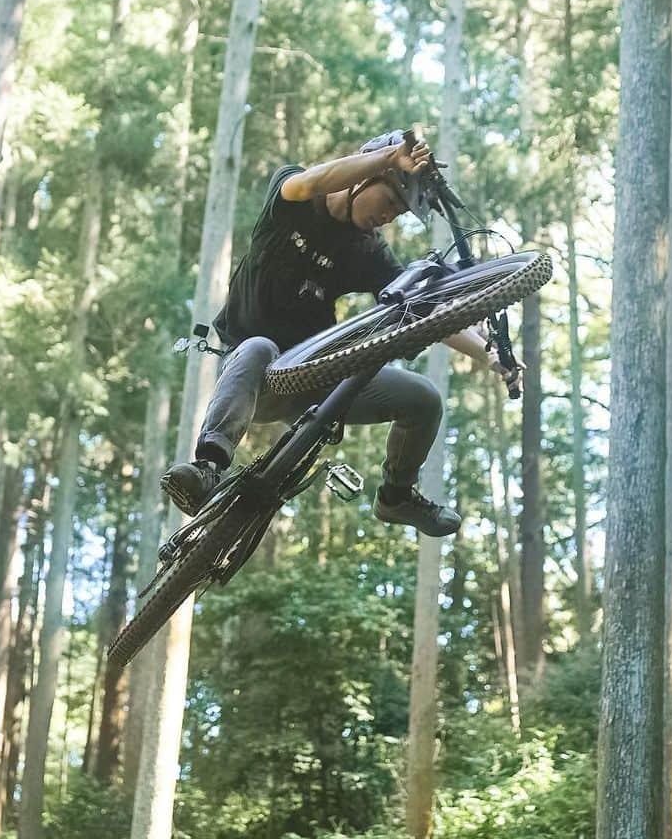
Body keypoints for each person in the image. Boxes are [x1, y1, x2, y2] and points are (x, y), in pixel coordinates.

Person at [161, 131, 512, 537]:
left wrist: (488, 354)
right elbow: (310, 182)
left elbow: (423, 309)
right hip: (256, 377)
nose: (389, 217)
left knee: (424, 399)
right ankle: (207, 469)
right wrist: (388, 157)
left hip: (318, 374)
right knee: (259, 347)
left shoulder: (367, 250)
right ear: (365, 177)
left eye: (399, 213)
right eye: (389, 203)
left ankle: (397, 496)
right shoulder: (294, 198)